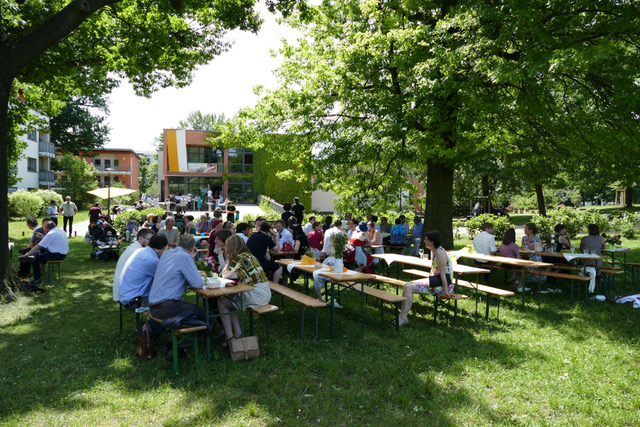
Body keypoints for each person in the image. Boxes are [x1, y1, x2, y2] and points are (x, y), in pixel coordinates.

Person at [148, 234, 210, 358]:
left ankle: (171, 344)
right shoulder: (185, 257)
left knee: (192, 311)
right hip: (167, 308)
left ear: (177, 244)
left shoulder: (167, 254)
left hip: (153, 305)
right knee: (205, 316)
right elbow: (197, 283)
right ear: (193, 248)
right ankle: (178, 348)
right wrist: (191, 258)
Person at [219, 235, 272, 344]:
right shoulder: (249, 256)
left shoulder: (239, 258)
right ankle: (237, 334)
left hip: (257, 294)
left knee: (221, 302)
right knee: (232, 300)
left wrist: (228, 261)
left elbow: (224, 275)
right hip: (265, 291)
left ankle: (230, 337)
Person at [399, 230, 453, 326]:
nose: (424, 241)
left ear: (432, 242)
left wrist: (446, 290)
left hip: (440, 285)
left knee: (408, 287)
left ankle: (403, 318)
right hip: (435, 281)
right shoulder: (434, 251)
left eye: (426, 239)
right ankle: (402, 316)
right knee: (406, 285)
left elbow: (442, 273)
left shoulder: (440, 253)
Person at [118, 234, 168, 310]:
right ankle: (154, 321)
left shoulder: (140, 251)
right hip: (134, 301)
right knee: (171, 298)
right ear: (163, 248)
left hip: (125, 295)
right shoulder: (152, 260)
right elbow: (166, 278)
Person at [19, 220, 69, 291]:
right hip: (62, 252)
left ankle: (37, 279)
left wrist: (27, 254)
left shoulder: (51, 234)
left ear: (45, 228)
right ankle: (33, 255)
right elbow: (51, 241)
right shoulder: (60, 231)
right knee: (39, 251)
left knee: (35, 259)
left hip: (57, 254)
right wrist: (43, 237)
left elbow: (38, 246)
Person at [113, 228, 155, 301]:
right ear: (140, 239)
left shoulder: (135, 247)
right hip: (125, 290)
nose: (152, 243)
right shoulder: (138, 251)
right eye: (150, 240)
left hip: (125, 286)